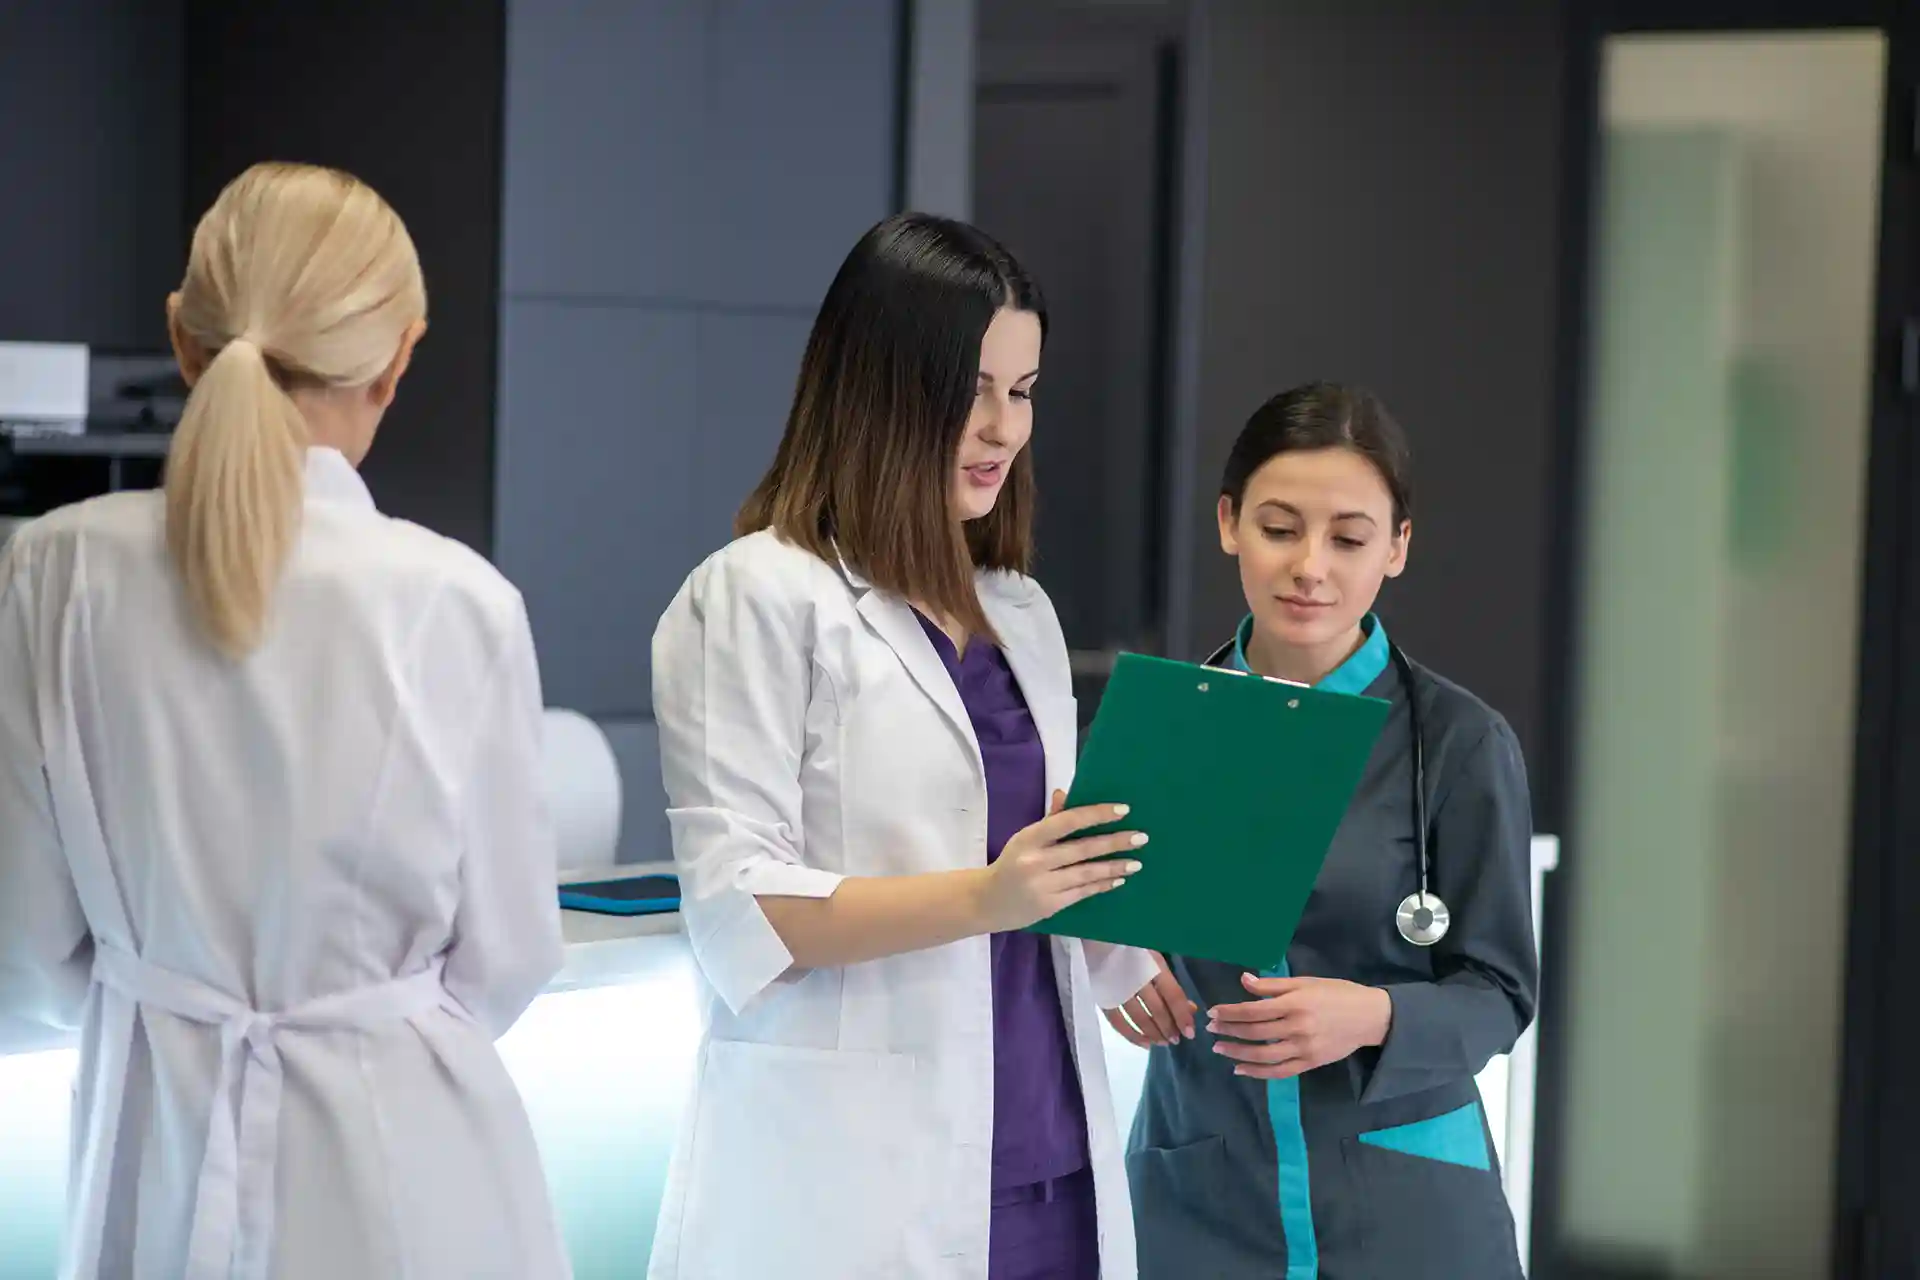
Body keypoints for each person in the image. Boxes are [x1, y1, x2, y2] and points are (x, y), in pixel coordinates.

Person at [0, 162, 570, 1280]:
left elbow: (30, 949)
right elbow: (510, 958)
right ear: (398, 359)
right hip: (409, 1174)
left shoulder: (53, 567)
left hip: (147, 1156)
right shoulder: (456, 600)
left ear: (182, 337)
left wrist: (171, 1003)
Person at [648, 212, 1169, 1280]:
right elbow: (740, 911)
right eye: (972, 387)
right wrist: (989, 895)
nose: (1001, 426)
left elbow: (1037, 850)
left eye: (1022, 392)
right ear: (882, 384)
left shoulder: (1018, 610)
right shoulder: (755, 594)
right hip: (854, 1186)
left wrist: (1119, 932)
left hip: (1054, 1161)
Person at [1111, 382, 1536, 1278]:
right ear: (1228, 523)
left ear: (1398, 548)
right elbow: (1081, 930)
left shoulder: (1458, 744)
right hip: (1203, 1200)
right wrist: (1105, 965)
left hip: (1406, 1205)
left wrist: (1373, 1014)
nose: (1311, 566)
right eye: (1278, 528)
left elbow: (1500, 993)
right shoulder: (1164, 729)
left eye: (1348, 538)